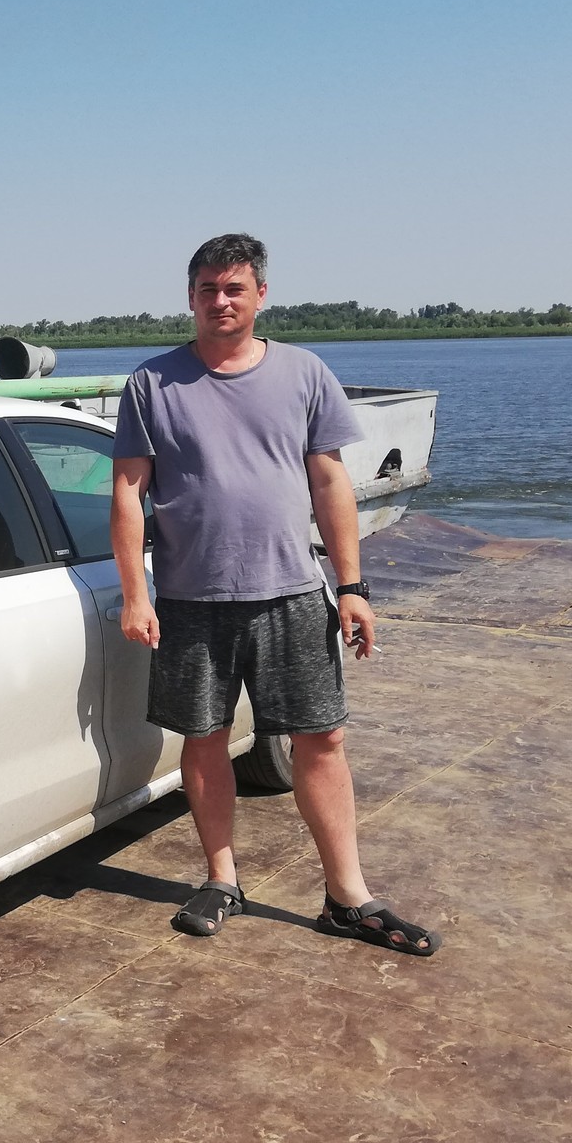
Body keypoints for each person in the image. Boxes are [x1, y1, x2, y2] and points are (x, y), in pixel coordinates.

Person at [108, 233, 439, 956]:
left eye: (233, 288)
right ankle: (222, 878)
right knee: (204, 741)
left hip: (291, 590)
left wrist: (351, 587)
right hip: (192, 600)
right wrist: (138, 593)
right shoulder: (151, 385)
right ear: (190, 296)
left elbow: (330, 484)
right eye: (206, 289)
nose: (219, 301)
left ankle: (347, 897)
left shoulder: (304, 373)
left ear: (260, 295)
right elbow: (129, 494)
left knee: (322, 739)